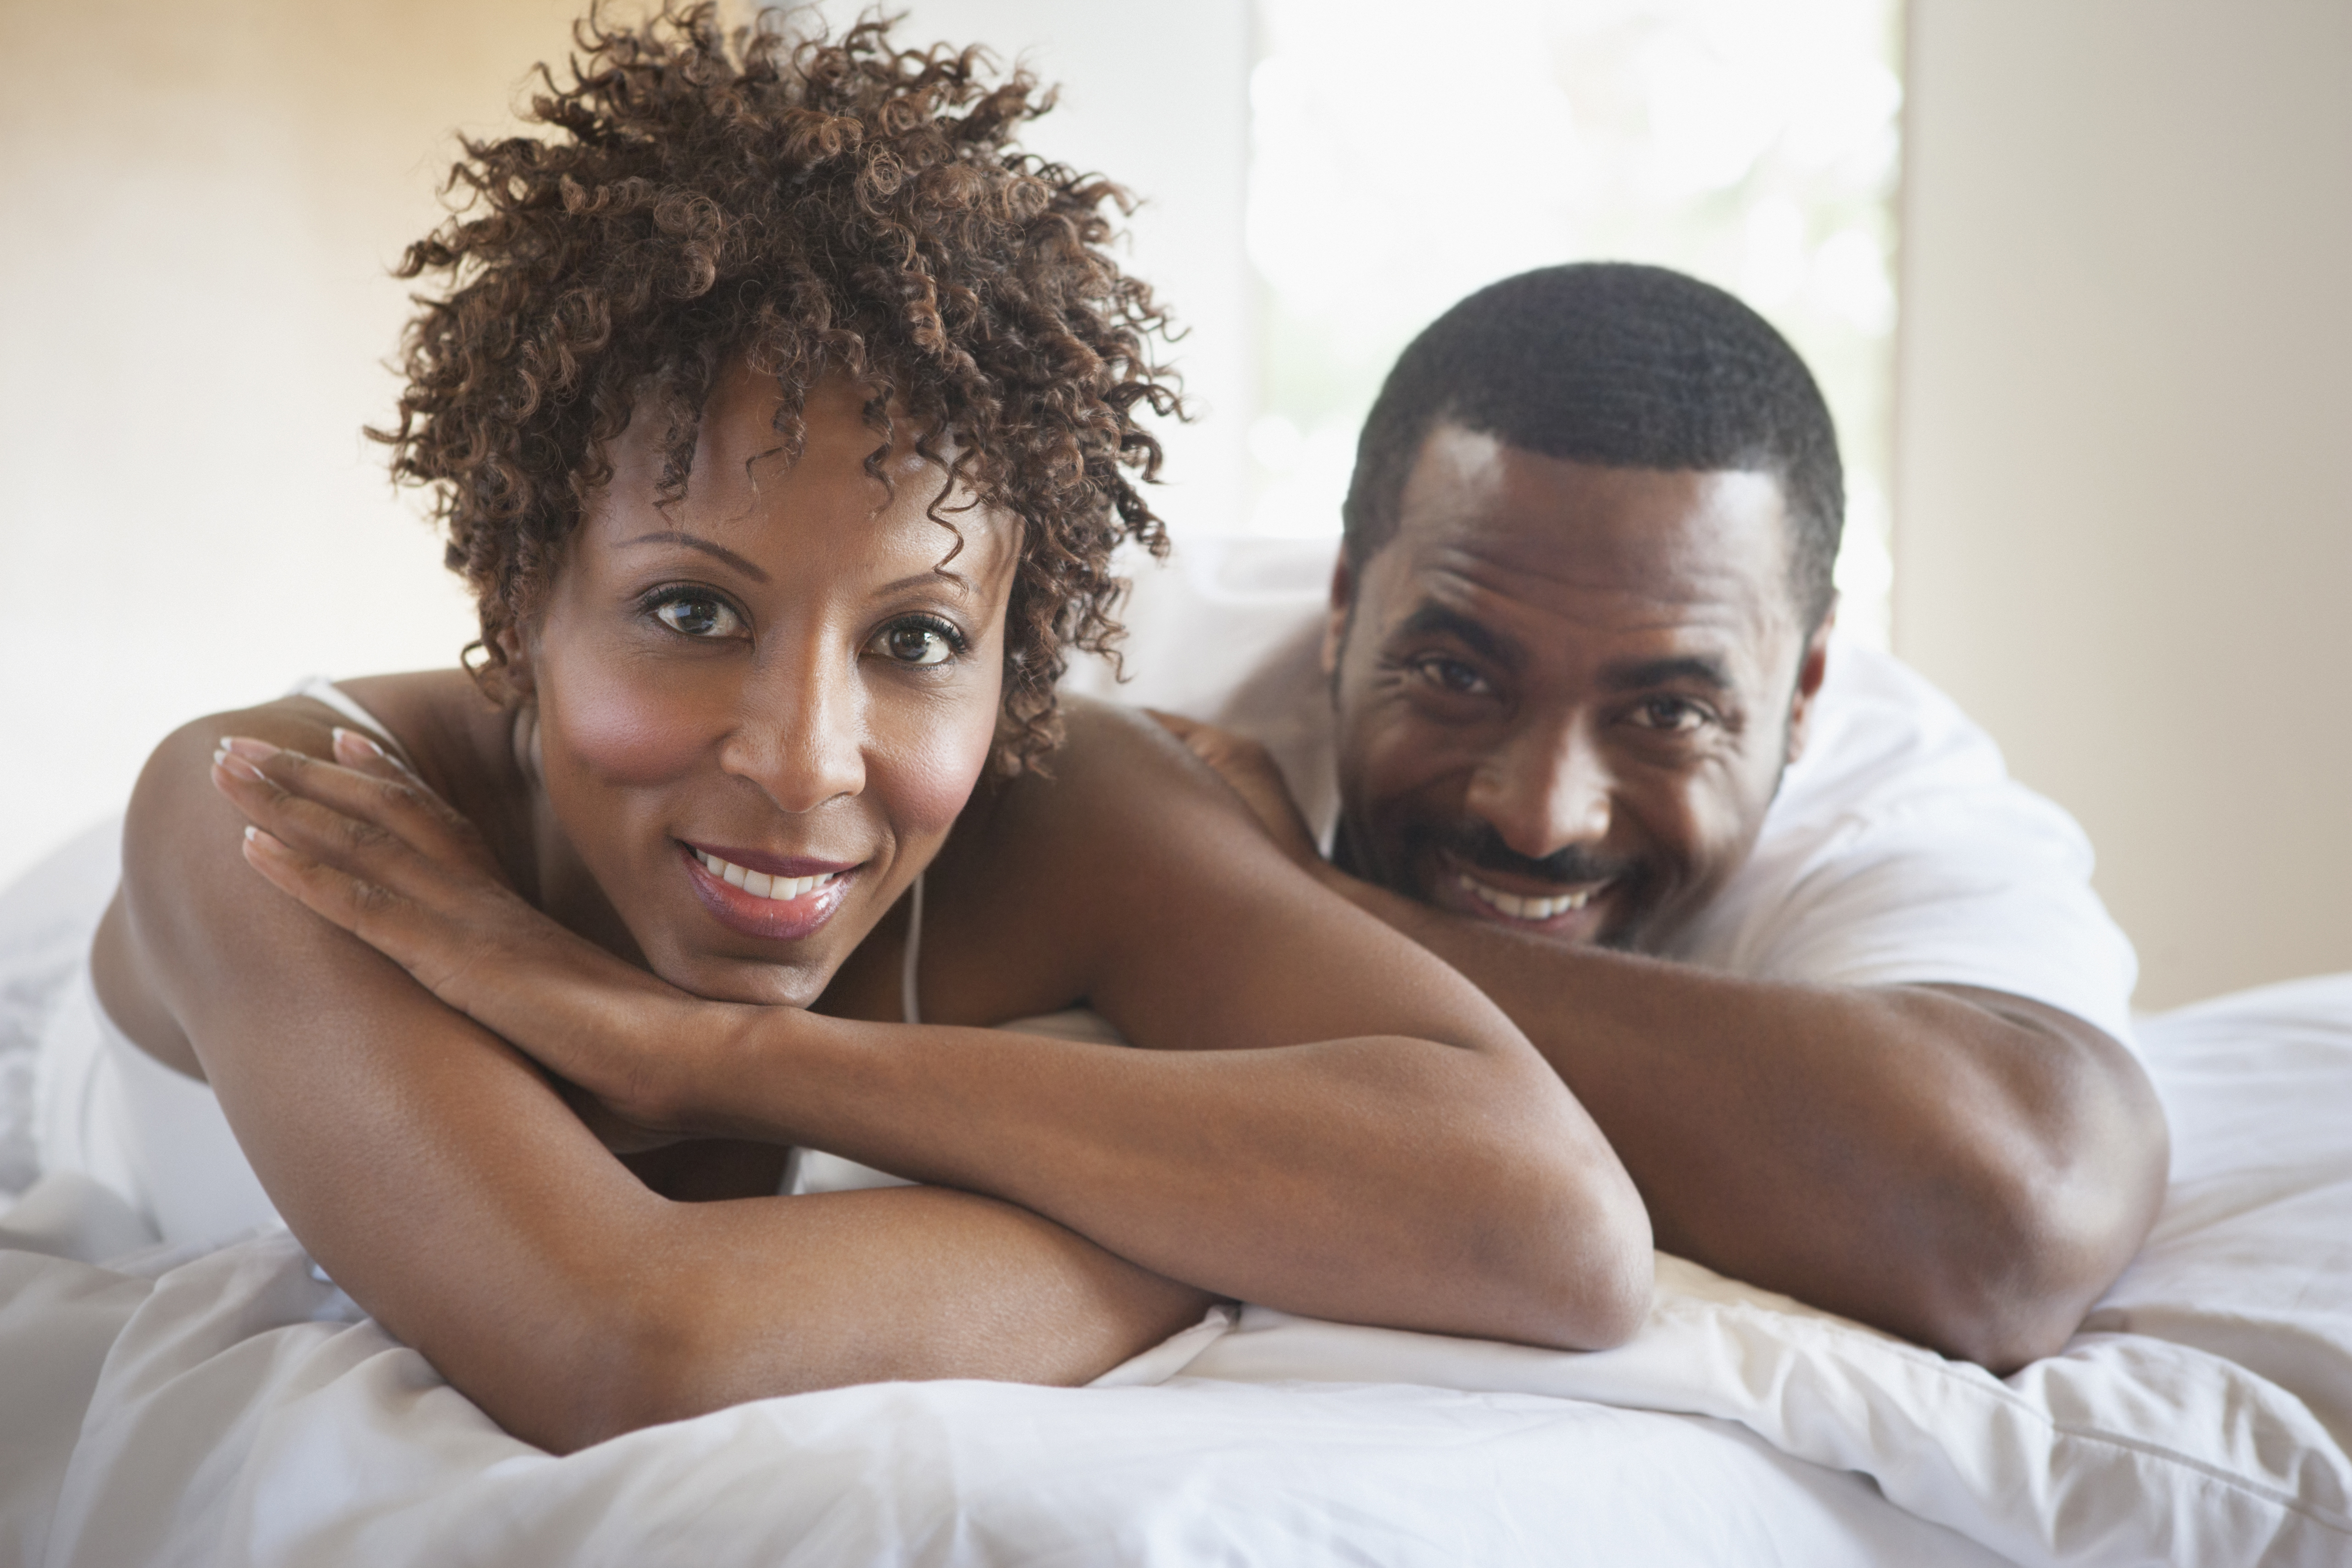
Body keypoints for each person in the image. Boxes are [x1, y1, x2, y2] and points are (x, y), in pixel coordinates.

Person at [70, 10, 1650, 1455]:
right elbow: (627, 1338)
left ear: (1012, 654)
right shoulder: (276, 816)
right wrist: (1231, 1224)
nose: (807, 757)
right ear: (514, 585)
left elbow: (1557, 1231)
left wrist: (716, 1049)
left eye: (914, 638)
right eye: (692, 611)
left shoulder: (1061, 801)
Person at [1156, 263, 2169, 1372]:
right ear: (1343, 601)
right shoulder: (1097, 656)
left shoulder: (1897, 807)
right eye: (1455, 674)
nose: (1543, 815)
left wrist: (1276, 912)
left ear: (1806, 685)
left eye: (1667, 711)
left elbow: (2014, 1222)